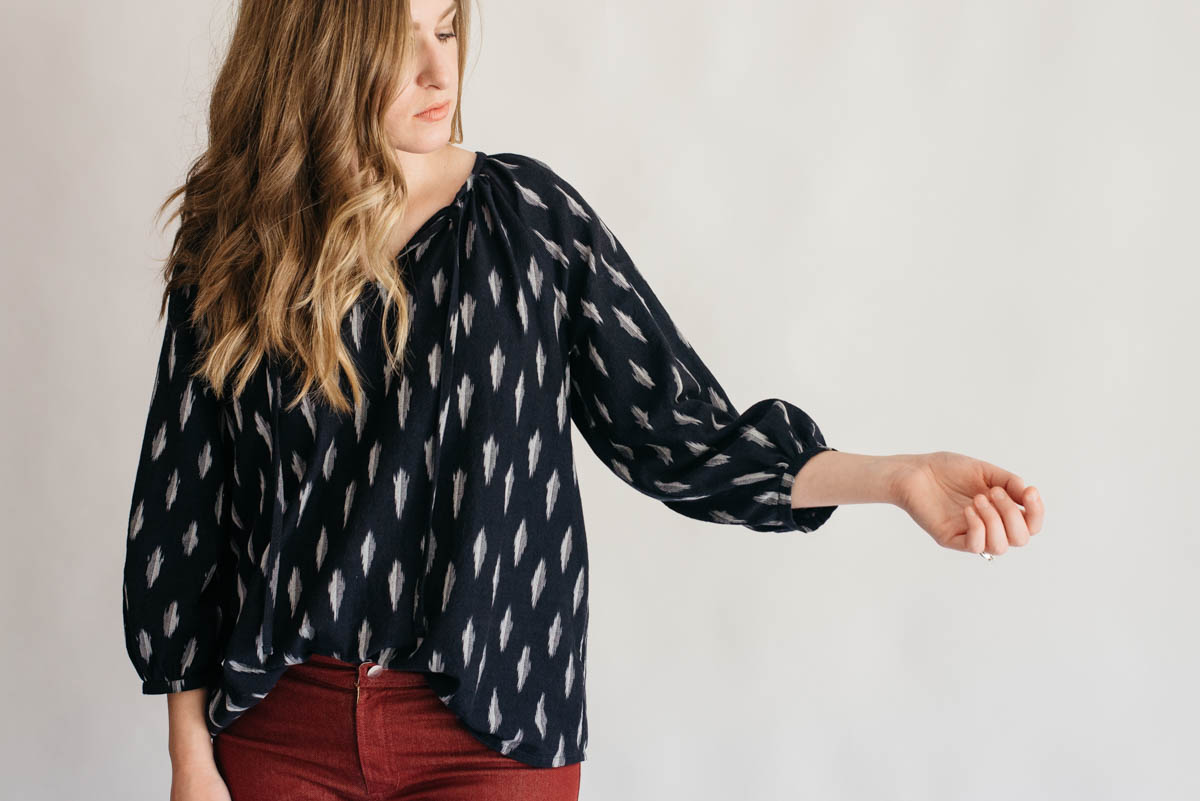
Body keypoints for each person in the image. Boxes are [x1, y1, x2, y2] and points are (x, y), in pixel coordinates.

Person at [120, 0, 1045, 799]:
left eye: (447, 26)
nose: (439, 66)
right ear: (318, 49)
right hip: (283, 735)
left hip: (490, 731)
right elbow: (181, 517)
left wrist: (897, 477)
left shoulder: (527, 222)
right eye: (396, 37)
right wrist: (190, 757)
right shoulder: (237, 242)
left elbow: (679, 433)